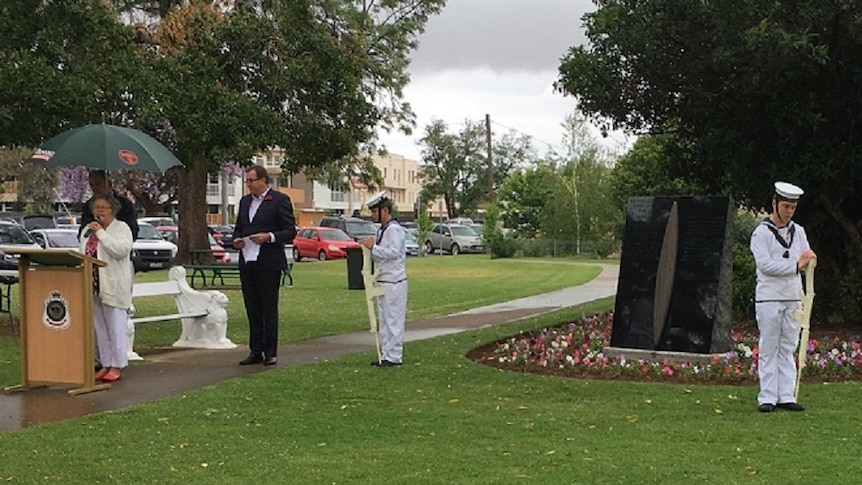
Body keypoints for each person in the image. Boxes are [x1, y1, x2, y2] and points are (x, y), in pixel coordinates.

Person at [749, 181, 817, 413]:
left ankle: (786, 395)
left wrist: (810, 260)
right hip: (769, 297)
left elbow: (806, 256)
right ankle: (767, 396)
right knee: (769, 346)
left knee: (788, 346)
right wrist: (796, 266)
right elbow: (765, 265)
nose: (789, 211)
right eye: (786, 206)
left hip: (792, 297)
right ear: (775, 204)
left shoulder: (798, 231)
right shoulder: (760, 233)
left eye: (793, 208)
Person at [232, 165, 296, 366]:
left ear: (263, 180)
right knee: (252, 307)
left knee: (268, 307)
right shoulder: (244, 202)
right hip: (247, 260)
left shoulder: (278, 200)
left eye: (251, 180)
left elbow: (289, 231)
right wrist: (236, 241)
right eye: (247, 181)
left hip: (268, 261)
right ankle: (255, 350)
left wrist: (269, 237)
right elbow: (239, 229)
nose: (249, 185)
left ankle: (270, 351)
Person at [79, 193, 134, 382]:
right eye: (96, 208)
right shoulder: (88, 229)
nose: (99, 211)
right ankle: (106, 363)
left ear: (113, 210)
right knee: (100, 328)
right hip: (93, 285)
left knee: (115, 326)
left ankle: (118, 365)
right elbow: (83, 251)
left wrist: (101, 233)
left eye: (103, 208)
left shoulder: (121, 228)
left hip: (114, 284)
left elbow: (121, 250)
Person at [360, 191, 408, 367]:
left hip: (394, 281)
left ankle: (394, 356)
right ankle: (387, 354)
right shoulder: (382, 229)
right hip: (384, 280)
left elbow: (393, 253)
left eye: (375, 212)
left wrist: (374, 248)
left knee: (394, 320)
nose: (373, 216)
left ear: (385, 210)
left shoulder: (394, 230)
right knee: (386, 321)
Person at [79, 170, 140, 241]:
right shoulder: (88, 206)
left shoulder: (125, 204)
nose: (94, 188)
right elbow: (82, 234)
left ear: (109, 184)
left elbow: (133, 231)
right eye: (91, 185)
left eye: (98, 184)